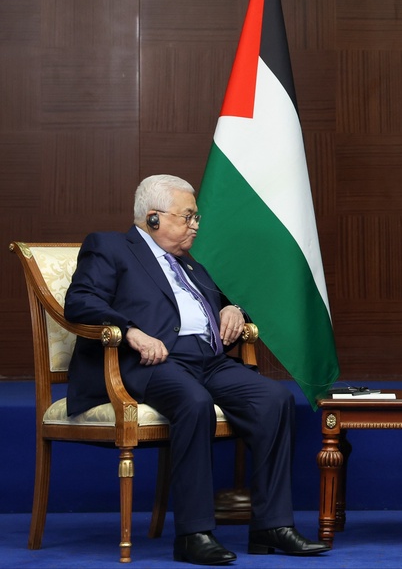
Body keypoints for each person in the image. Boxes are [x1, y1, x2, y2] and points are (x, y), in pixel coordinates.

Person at [64, 175, 329, 565]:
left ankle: (272, 526)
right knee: (194, 402)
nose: (195, 226)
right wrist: (131, 332)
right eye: (187, 217)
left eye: (196, 218)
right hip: (151, 361)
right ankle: (194, 534)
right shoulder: (111, 247)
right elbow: (80, 301)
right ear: (153, 218)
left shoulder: (189, 264)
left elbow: (221, 301)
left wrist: (233, 309)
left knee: (274, 400)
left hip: (210, 360)